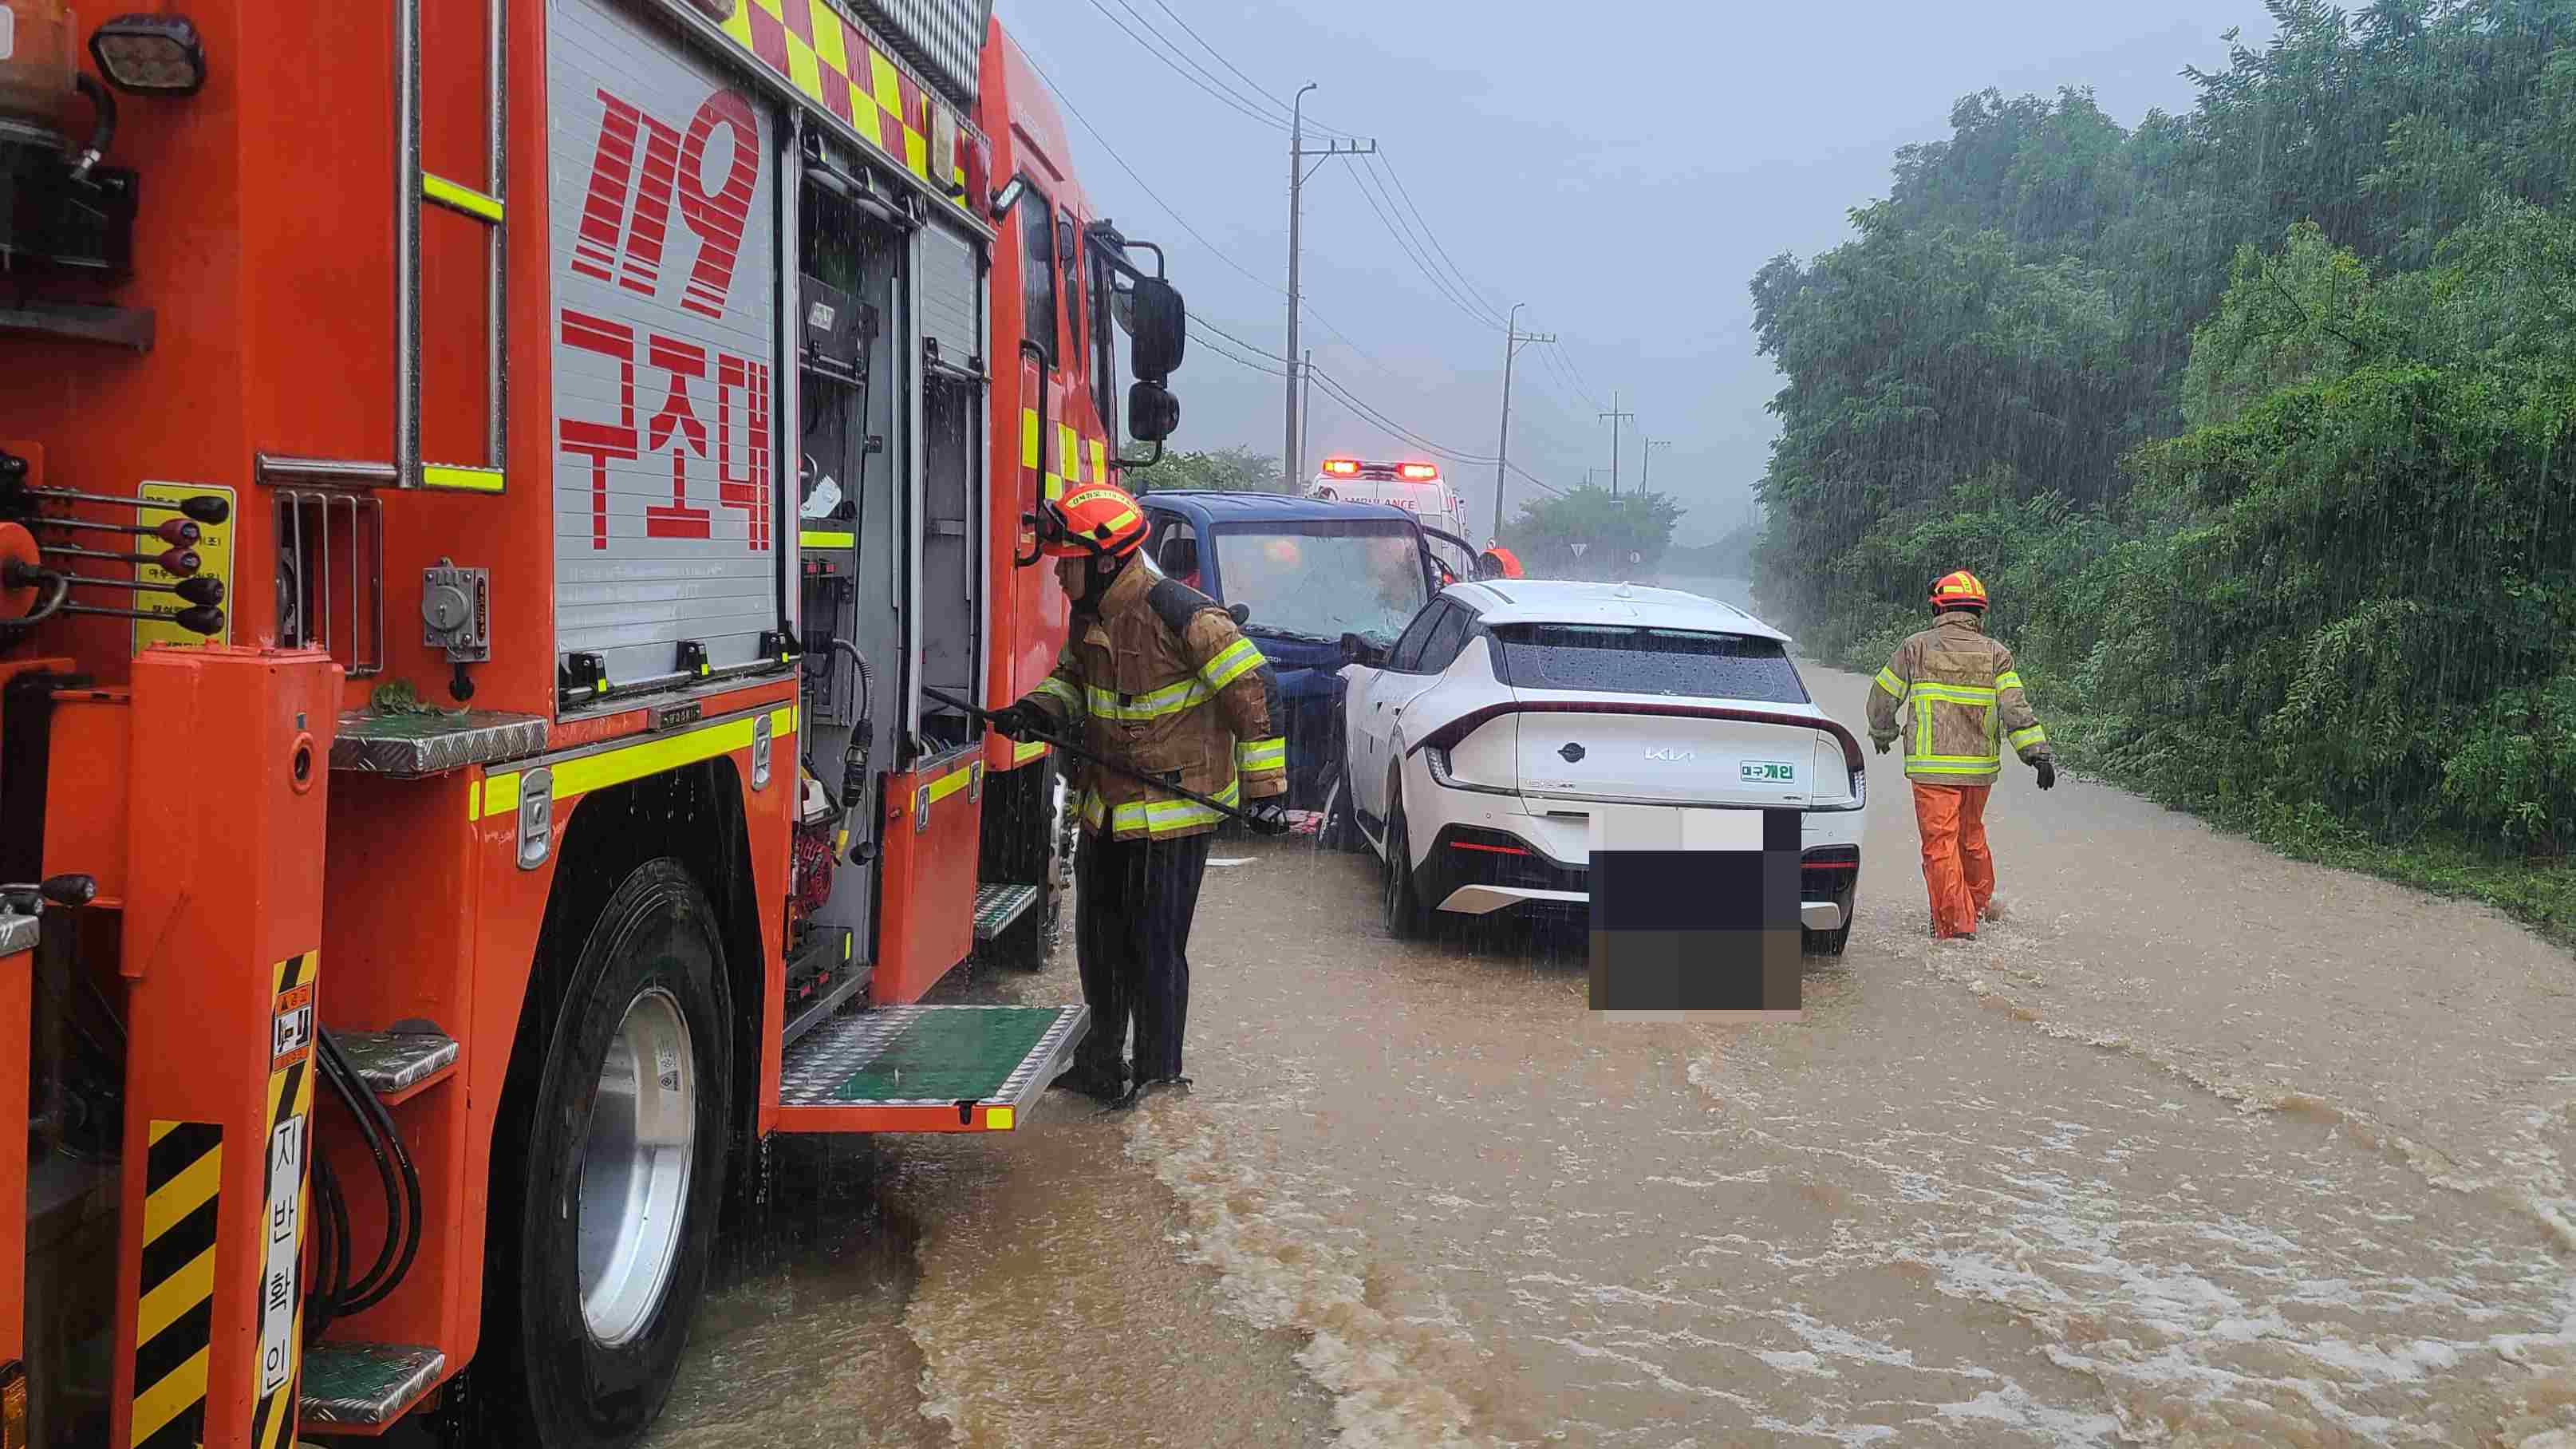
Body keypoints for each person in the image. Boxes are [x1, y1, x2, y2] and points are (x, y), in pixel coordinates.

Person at [988, 482, 1288, 1108]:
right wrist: (1036, 711)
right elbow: (1074, 681)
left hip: (1172, 817)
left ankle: (1158, 1080)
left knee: (1154, 949)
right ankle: (1101, 1064)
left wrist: (1266, 794)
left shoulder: (1184, 614)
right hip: (1108, 812)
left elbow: (1254, 693)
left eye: (1065, 564)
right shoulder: (1091, 615)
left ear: (1104, 562)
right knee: (1100, 946)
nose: (1058, 577)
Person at [1864, 570, 2055, 942]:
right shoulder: (1997, 654)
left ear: (1938, 607)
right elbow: (2015, 708)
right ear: (1977, 612)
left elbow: (1883, 696)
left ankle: (1956, 929)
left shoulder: (1915, 647)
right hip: (1978, 769)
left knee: (1940, 845)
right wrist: (2037, 754)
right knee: (1970, 838)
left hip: (1931, 768)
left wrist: (1883, 732)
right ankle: (1978, 907)